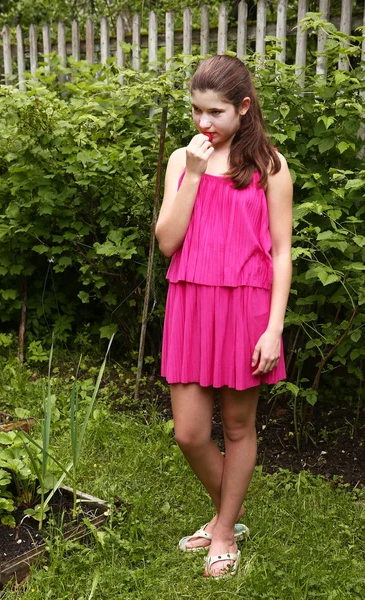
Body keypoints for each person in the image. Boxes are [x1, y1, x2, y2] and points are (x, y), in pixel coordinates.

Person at [155, 54, 293, 580]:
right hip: (191, 301)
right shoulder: (181, 160)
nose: (202, 124)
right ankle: (228, 521)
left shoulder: (271, 167)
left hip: (247, 309)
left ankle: (222, 529)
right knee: (189, 433)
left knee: (237, 428)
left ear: (244, 107)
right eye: (196, 111)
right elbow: (168, 242)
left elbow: (281, 252)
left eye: (214, 112)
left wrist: (274, 327)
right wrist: (191, 173)